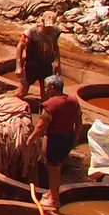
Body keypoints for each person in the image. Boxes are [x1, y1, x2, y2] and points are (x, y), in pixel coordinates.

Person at [33, 76, 85, 207]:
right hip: (67, 138)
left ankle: (54, 200)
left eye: (46, 87)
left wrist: (30, 139)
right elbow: (79, 120)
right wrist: (76, 135)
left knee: (53, 169)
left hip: (54, 140)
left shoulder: (50, 106)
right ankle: (51, 192)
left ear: (52, 88)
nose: (44, 90)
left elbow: (41, 127)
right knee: (58, 166)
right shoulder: (73, 101)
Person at [16, 22, 63, 100]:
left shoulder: (55, 31)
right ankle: (7, 106)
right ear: (42, 23)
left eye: (50, 26)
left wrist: (58, 63)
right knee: (21, 93)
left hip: (46, 66)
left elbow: (55, 46)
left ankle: (44, 111)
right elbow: (20, 46)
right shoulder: (31, 32)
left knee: (46, 95)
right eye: (47, 26)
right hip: (31, 67)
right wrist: (19, 66)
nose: (49, 29)